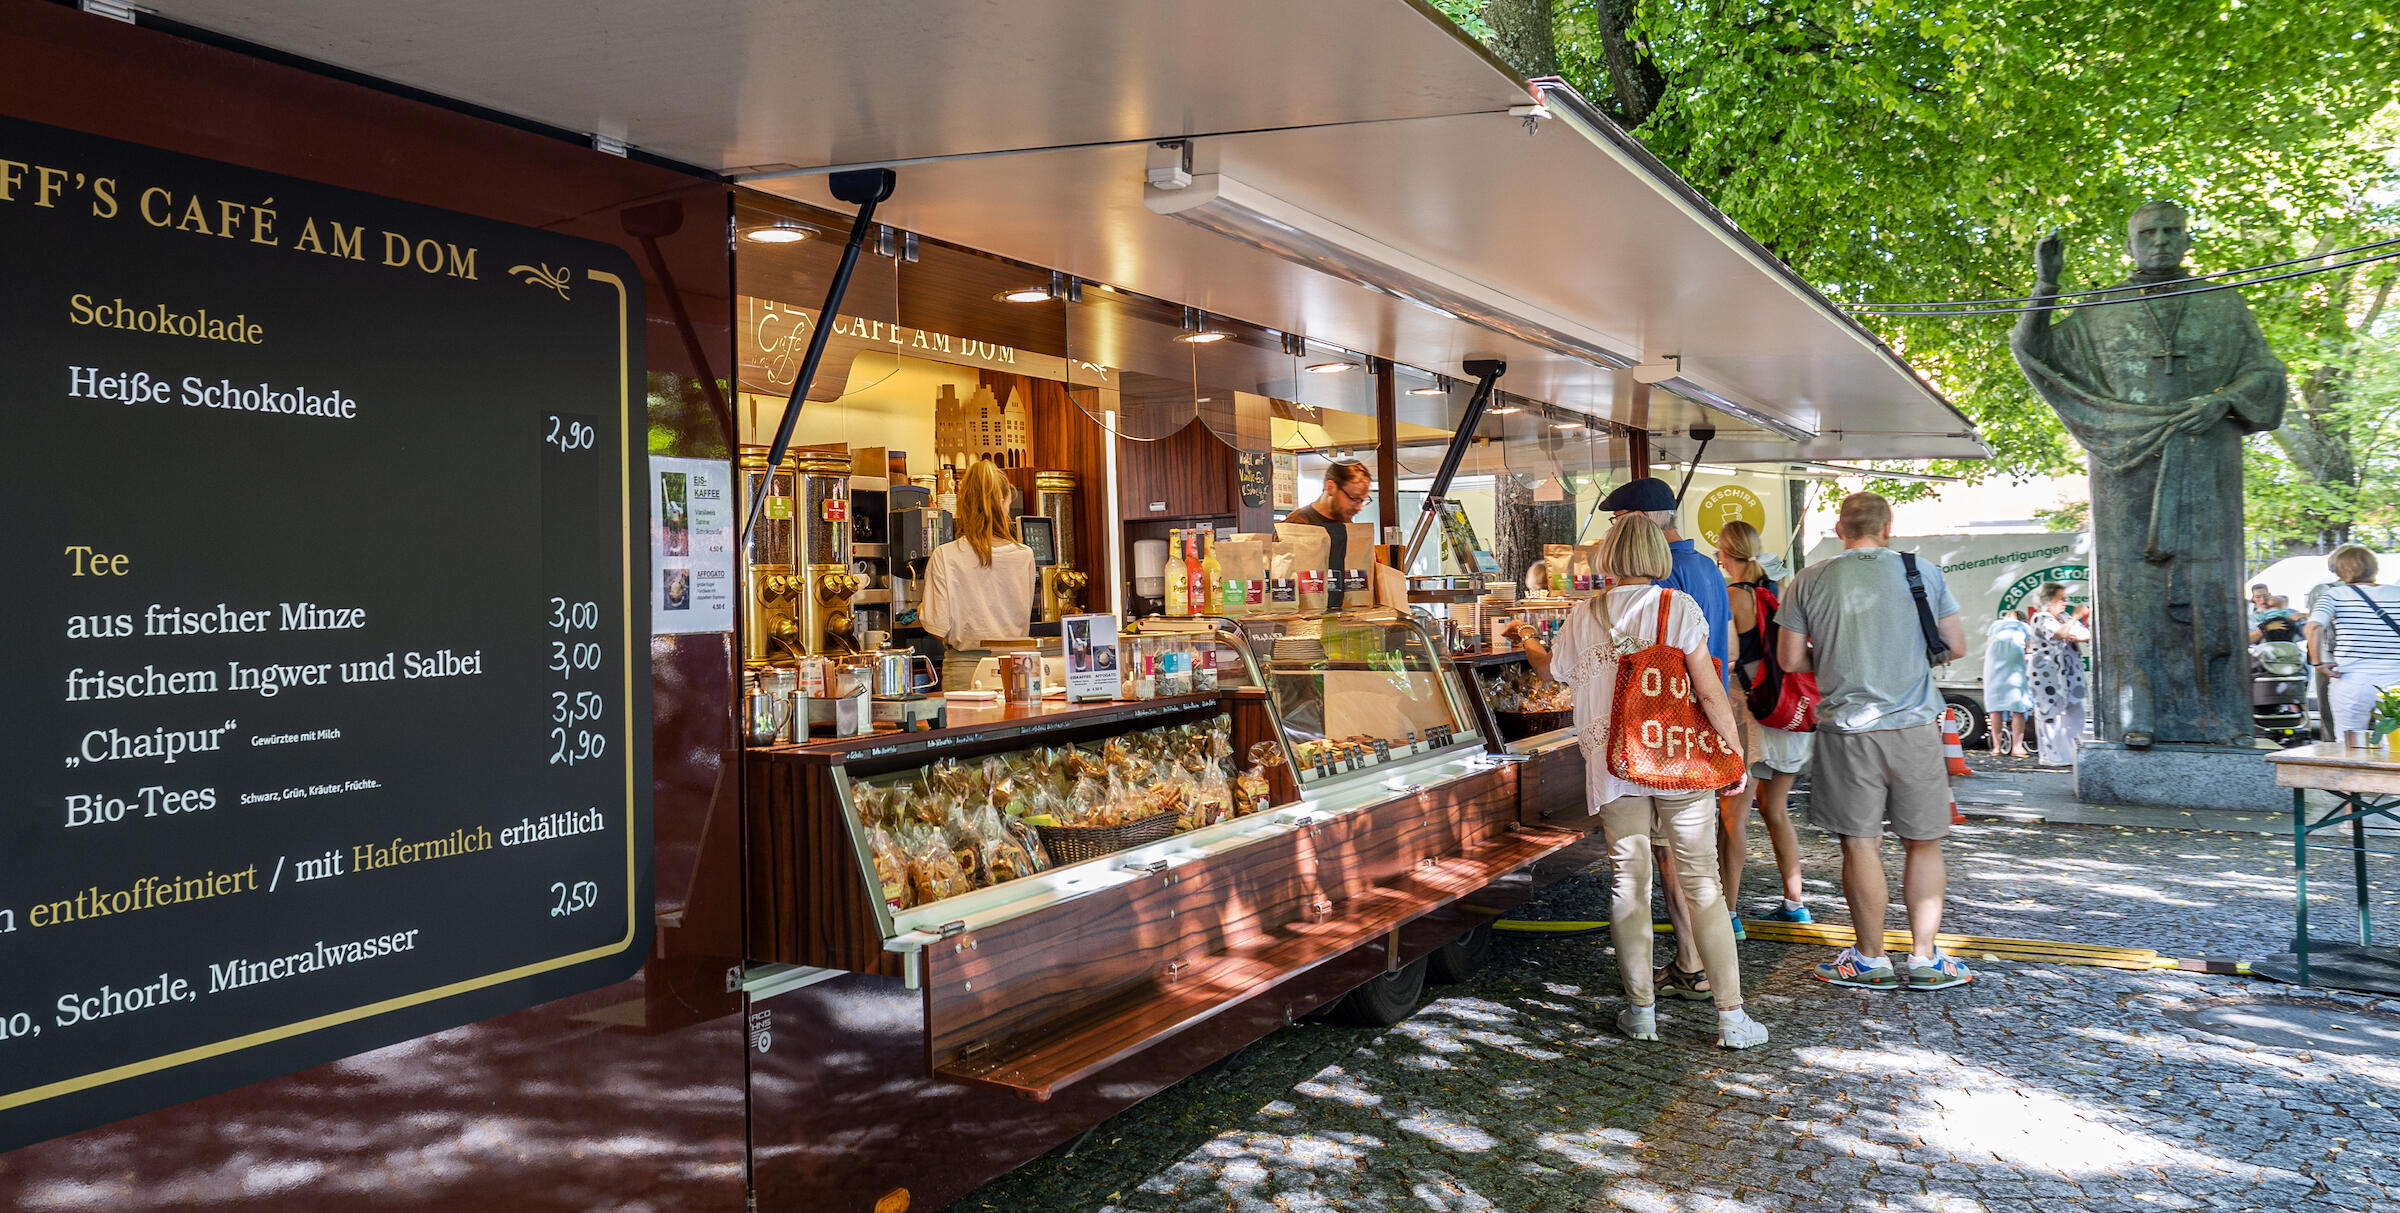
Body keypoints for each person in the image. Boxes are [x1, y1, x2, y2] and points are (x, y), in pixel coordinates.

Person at [1509, 515, 1766, 1049]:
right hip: (1678, 760)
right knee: (1703, 886)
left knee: (1629, 882)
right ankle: (1731, 1018)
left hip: (1611, 761)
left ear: (1607, 558)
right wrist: (1734, 754)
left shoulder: (1584, 613)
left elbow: (1553, 673)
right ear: (1657, 555)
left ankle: (1642, 1012)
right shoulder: (1680, 609)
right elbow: (1710, 692)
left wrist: (1530, 638)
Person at [1776, 492, 1974, 991]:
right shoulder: (1922, 573)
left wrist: (1841, 658)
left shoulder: (1810, 578)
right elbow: (1955, 645)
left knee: (1860, 843)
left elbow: (1789, 660)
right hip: (1915, 727)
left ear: (1840, 529)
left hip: (1847, 729)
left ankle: (1869, 958)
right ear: (1888, 527)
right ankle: (1927, 960)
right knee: (1924, 842)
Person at [1594, 477, 1740, 976]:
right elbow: (1727, 656)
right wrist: (1730, 743)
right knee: (1700, 868)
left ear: (1637, 522)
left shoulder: (1666, 583)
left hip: (1660, 737)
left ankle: (1689, 960)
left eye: (1616, 522)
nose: (1613, 531)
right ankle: (1708, 971)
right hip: (1699, 736)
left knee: (1665, 864)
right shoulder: (1711, 571)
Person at [1713, 519, 1812, 925]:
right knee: (1777, 811)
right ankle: (1795, 904)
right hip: (1785, 712)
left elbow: (1728, 657)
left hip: (1748, 716)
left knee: (1733, 817)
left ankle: (1729, 914)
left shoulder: (1732, 596)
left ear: (1725, 551)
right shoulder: (1778, 590)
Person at [921, 459, 1036, 689]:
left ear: (963, 503)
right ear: (1005, 501)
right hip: (1015, 672)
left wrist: (921, 611)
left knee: (970, 727)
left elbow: (937, 628)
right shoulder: (1025, 555)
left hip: (965, 675)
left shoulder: (945, 555)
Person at [2306, 545, 2400, 735]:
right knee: (2394, 741)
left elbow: (2313, 626)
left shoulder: (2333, 595)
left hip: (2351, 679)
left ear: (2338, 570)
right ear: (2375, 568)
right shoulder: (2396, 593)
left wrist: (2318, 663)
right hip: (2396, 677)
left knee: (2348, 741)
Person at [2026, 584, 2090, 766]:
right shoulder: (2041, 617)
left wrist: (2071, 628)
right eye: (2061, 598)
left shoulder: (2064, 617)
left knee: (2075, 711)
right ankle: (2053, 757)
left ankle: (2073, 753)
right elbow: (2059, 634)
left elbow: (2085, 634)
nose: (2065, 602)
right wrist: (2075, 619)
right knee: (2050, 713)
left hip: (2069, 674)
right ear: (2048, 600)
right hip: (2047, 674)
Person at [1284, 458, 1372, 575]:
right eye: (1354, 499)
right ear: (1330, 487)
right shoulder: (1297, 523)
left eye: (1362, 500)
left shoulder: (1347, 526)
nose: (1358, 507)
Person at [1984, 608, 2035, 757]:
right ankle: (2017, 747)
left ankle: (1997, 747)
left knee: (1995, 709)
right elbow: (2029, 650)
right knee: (2018, 709)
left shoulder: (1994, 625)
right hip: (2015, 670)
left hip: (1993, 670)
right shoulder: (2025, 627)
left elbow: (1989, 645)